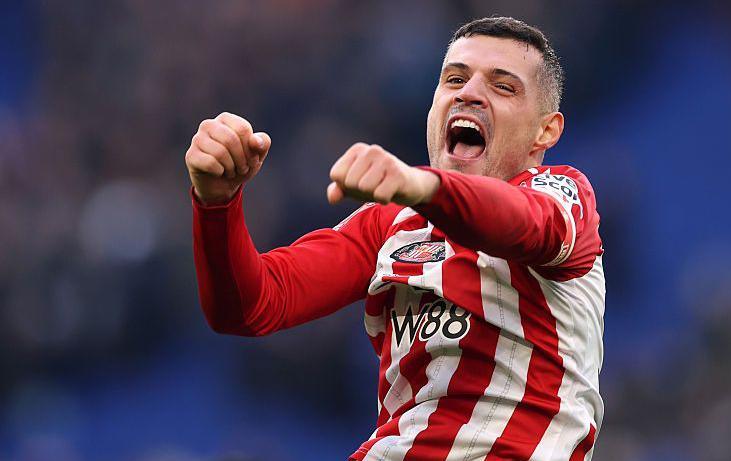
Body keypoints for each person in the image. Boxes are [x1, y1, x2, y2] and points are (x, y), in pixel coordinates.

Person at [186, 16, 604, 461]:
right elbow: (252, 306)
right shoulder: (390, 223)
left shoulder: (563, 194)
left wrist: (421, 186)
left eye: (503, 87)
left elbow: (524, 224)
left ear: (547, 130)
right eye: (454, 79)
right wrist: (216, 204)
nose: (468, 93)